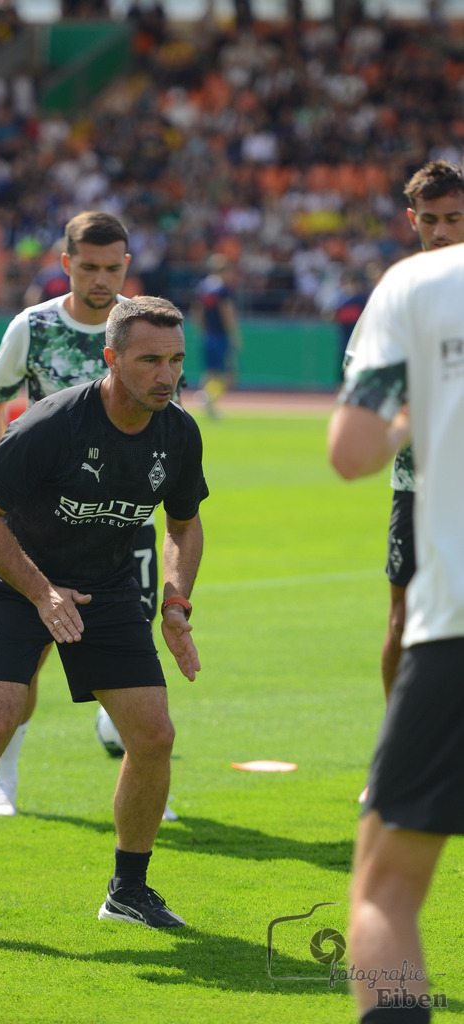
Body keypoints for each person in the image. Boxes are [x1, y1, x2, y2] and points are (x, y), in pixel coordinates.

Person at [0, 295, 208, 941]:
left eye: (176, 360)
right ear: (112, 359)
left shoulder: (180, 432)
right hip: (18, 584)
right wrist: (43, 593)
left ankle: (128, 891)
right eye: (150, 360)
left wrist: (175, 602)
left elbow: (184, 525)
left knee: (153, 736)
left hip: (107, 590)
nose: (167, 375)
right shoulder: (53, 423)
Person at [0, 210, 177, 820]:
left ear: (127, 265)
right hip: (46, 525)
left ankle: (144, 768)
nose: (101, 279)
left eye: (113, 267)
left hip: (126, 519)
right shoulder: (33, 326)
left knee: (134, 643)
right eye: (88, 267)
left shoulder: (145, 327)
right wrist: (0, 484)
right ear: (67, 264)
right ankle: (5, 778)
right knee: (30, 650)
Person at [329, 241, 464, 1023]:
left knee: (386, 889)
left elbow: (352, 452)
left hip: (454, 629)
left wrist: (412, 419)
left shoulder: (418, 283)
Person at [378, 160, 464, 701]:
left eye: (454, 218)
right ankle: (397, 745)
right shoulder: (397, 294)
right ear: (412, 219)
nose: (441, 231)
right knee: (404, 616)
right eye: (430, 219)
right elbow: (367, 395)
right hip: (417, 486)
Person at [189, 253, 243, 418]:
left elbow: (197, 312)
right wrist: (234, 336)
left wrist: (202, 331)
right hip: (220, 336)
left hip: (208, 335)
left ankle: (207, 400)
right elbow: (227, 314)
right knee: (228, 374)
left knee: (211, 372)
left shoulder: (203, 287)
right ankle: (206, 398)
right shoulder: (222, 289)